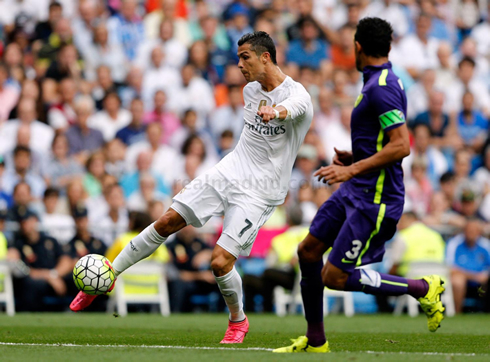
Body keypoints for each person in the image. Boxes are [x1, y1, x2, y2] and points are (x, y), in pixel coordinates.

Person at [70, 31, 313, 344]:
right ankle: (106, 278)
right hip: (230, 170)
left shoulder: (298, 94)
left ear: (266, 57)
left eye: (245, 57)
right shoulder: (251, 90)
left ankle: (237, 320)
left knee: (220, 261)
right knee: (166, 220)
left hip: (260, 189)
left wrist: (275, 111)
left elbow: (294, 107)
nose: (239, 64)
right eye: (238, 57)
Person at [274, 18, 444, 354]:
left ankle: (422, 287)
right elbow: (385, 141)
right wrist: (357, 157)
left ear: (357, 47)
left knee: (334, 277)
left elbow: (401, 145)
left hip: (375, 198)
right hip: (357, 188)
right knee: (308, 252)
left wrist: (352, 170)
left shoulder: (381, 87)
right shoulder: (375, 82)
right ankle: (316, 340)